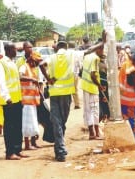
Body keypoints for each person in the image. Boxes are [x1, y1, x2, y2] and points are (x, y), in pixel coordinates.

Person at [40, 33, 106, 162]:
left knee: (58, 122)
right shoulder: (72, 54)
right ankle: (60, 150)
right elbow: (89, 50)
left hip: (54, 94)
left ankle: (59, 145)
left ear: (57, 47)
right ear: (65, 46)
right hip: (66, 94)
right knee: (60, 122)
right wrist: (103, 41)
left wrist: (48, 79)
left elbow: (41, 64)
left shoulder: (52, 57)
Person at [0, 43, 27, 160]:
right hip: (9, 101)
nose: (16, 51)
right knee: (10, 127)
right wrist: (7, 97)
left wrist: (20, 98)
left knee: (18, 126)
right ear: (9, 50)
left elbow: (16, 81)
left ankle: (18, 149)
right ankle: (10, 152)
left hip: (17, 99)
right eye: (14, 49)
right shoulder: (2, 64)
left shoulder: (12, 62)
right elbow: (1, 82)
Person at [16, 41, 41, 148]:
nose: (36, 64)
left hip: (33, 100)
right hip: (25, 100)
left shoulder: (33, 68)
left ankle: (33, 142)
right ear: (31, 60)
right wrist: (31, 79)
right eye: (35, 62)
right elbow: (20, 77)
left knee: (33, 121)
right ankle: (27, 144)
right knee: (26, 123)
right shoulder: (23, 66)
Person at [81, 41, 105, 140]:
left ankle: (92, 133)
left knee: (88, 110)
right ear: (98, 49)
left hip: (85, 86)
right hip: (92, 87)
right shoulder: (95, 58)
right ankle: (96, 133)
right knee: (94, 110)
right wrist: (99, 85)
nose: (103, 52)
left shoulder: (87, 57)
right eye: (102, 49)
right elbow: (93, 74)